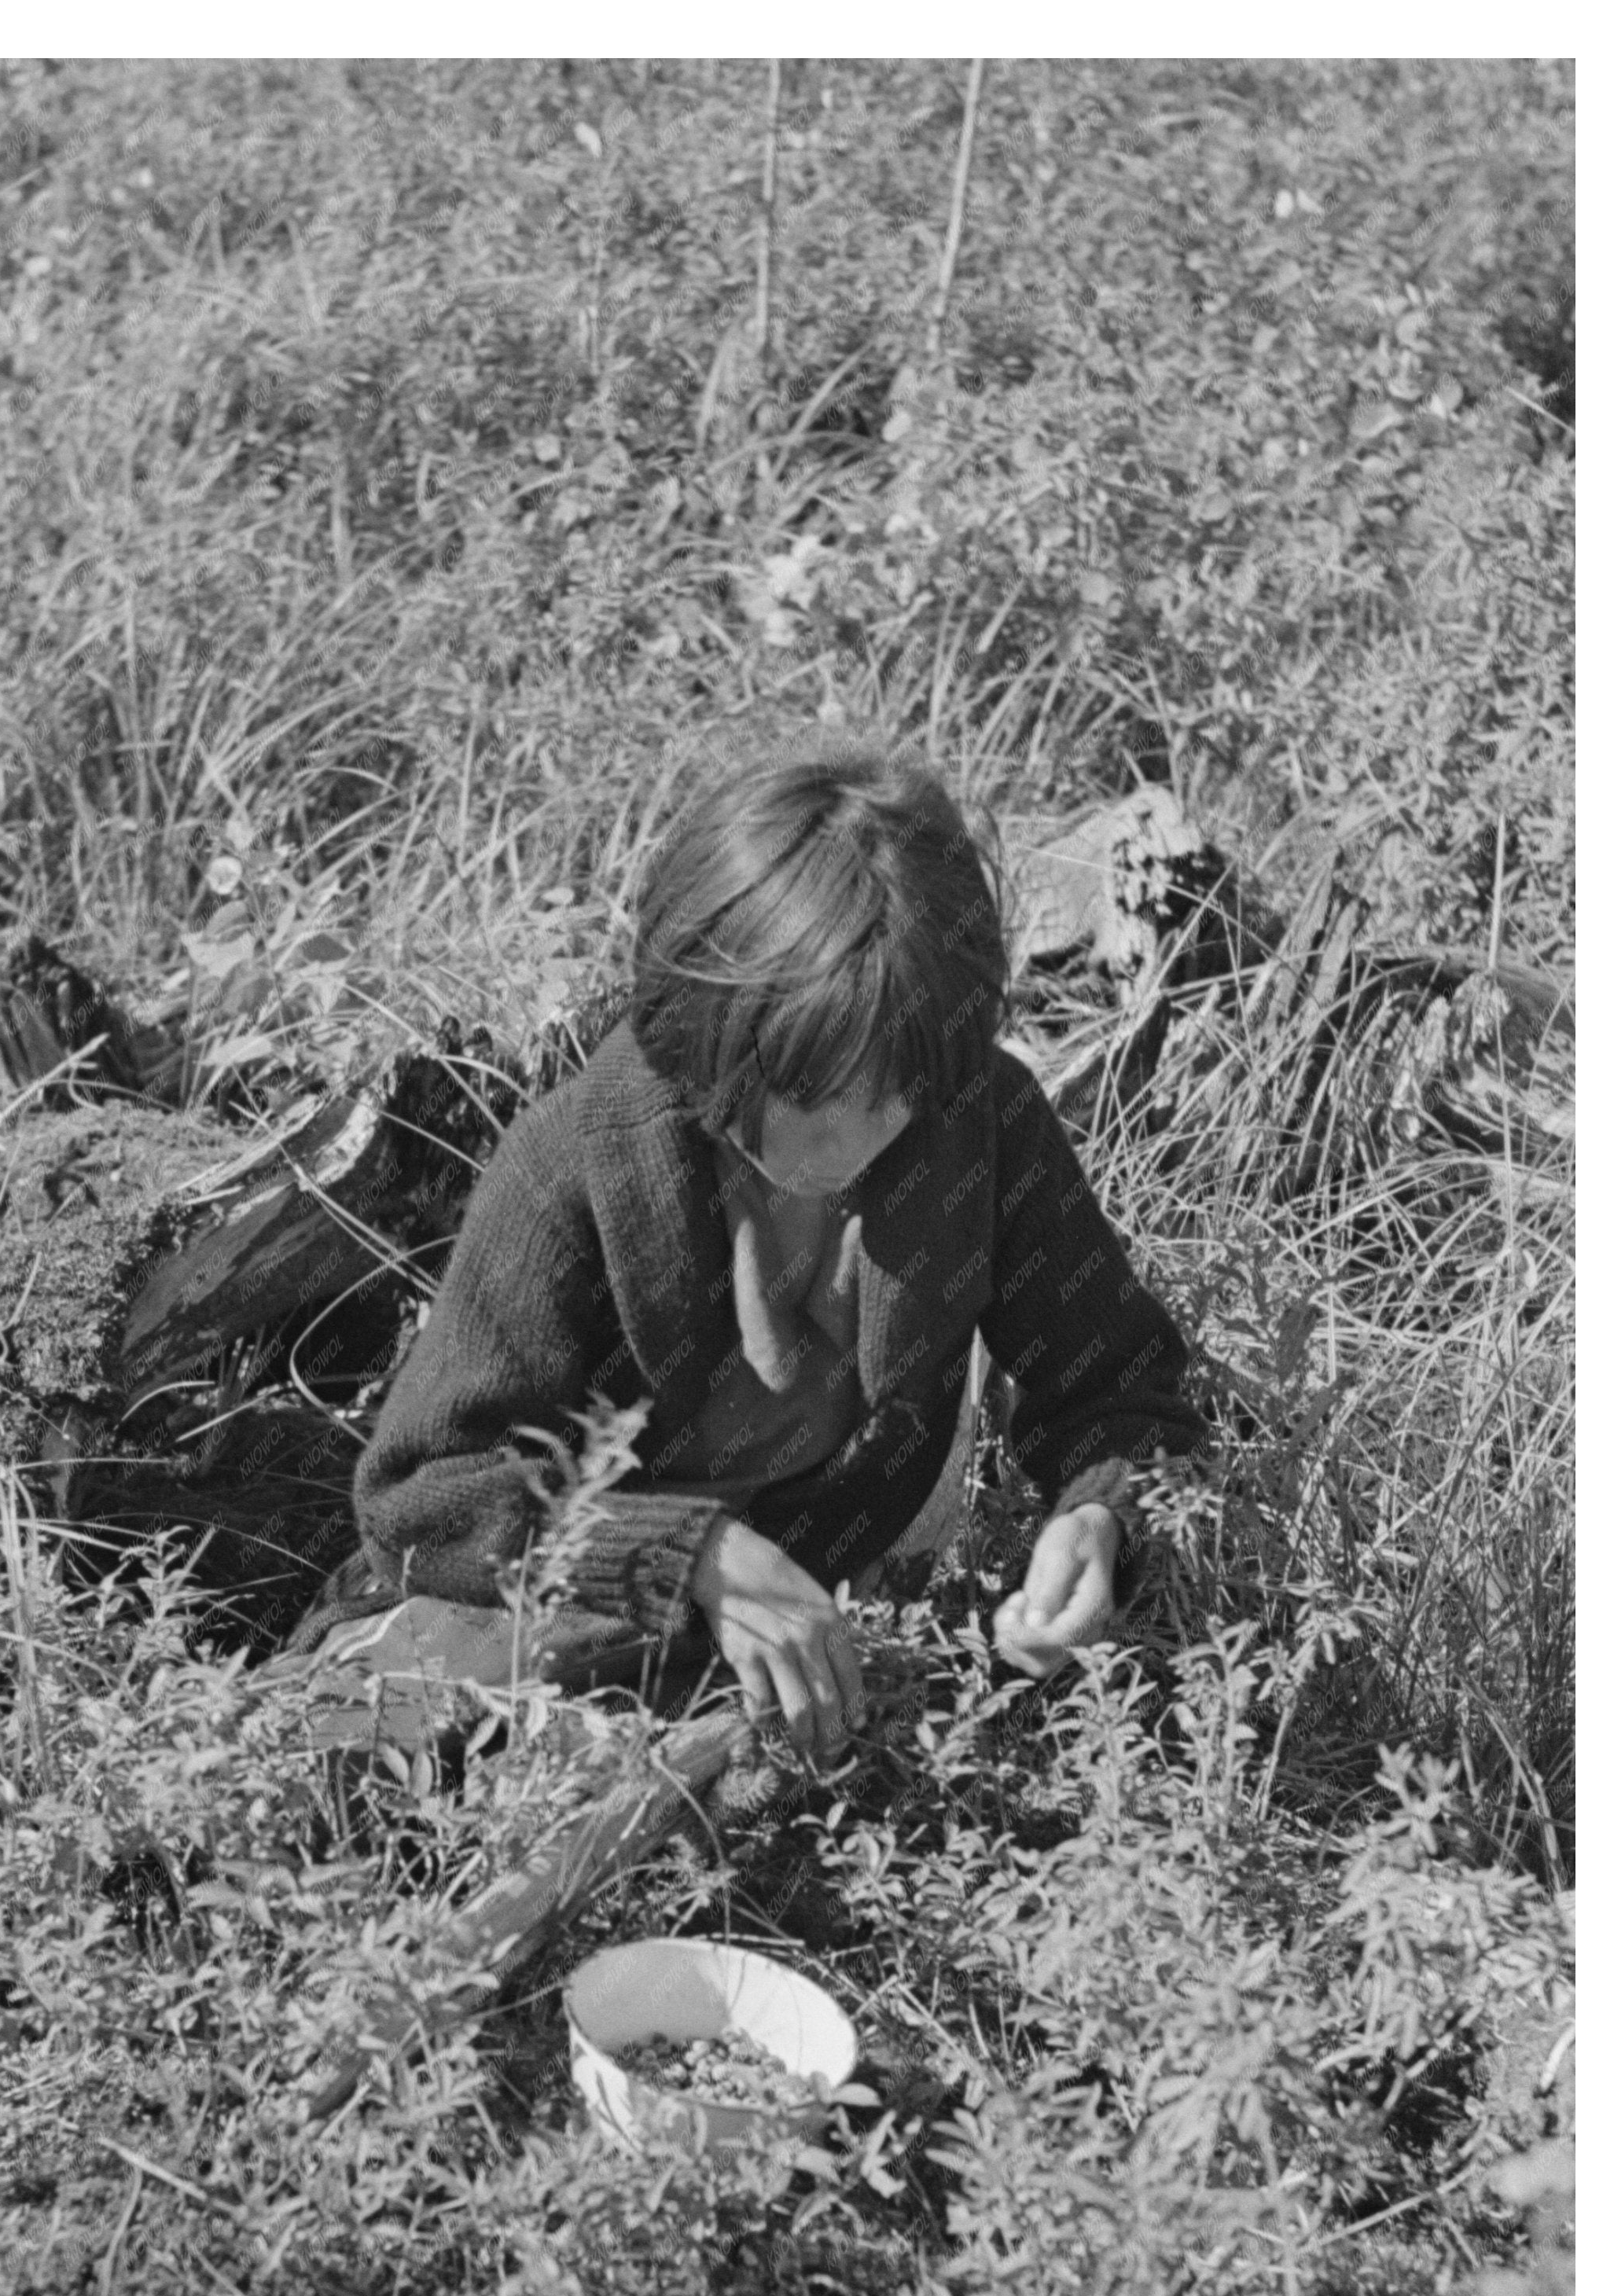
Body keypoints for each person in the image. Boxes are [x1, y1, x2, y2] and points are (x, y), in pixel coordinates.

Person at [281, 742, 1206, 1765]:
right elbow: (420, 1496)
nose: (856, 1137)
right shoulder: (575, 1167)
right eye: (811, 1094)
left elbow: (1120, 1387)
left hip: (780, 1651)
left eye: (895, 1091)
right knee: (367, 1773)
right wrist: (692, 1557)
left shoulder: (976, 1124)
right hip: (502, 1628)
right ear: (707, 1041)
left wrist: (1098, 1518)